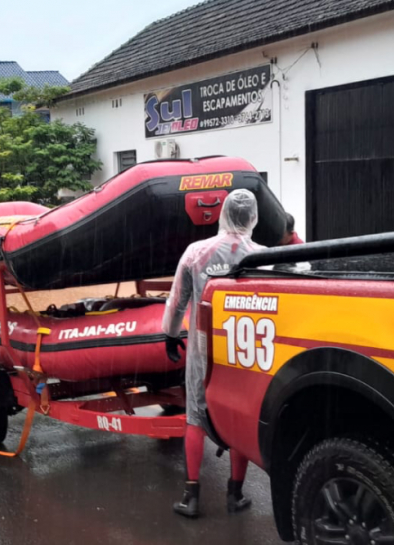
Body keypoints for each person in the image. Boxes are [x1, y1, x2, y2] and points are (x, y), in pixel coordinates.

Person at [163, 189, 262, 518]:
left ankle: (191, 498)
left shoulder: (196, 253)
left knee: (195, 417)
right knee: (238, 418)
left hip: (203, 351)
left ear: (222, 214)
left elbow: (178, 300)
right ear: (253, 217)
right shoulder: (263, 256)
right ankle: (235, 495)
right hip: (244, 350)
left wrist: (170, 334)